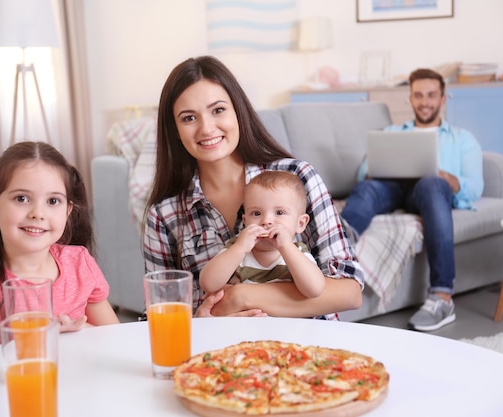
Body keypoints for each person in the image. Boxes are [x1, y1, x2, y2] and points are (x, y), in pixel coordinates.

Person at [143, 55, 363, 319]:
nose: (207, 128)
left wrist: (240, 298)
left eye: (218, 110)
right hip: (221, 353)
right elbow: (159, 316)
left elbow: (349, 292)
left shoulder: (297, 176)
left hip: (310, 349)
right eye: (189, 118)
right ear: (175, 130)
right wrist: (201, 320)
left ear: (238, 110)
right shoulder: (164, 215)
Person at [341, 68, 484, 332]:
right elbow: (363, 174)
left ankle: (442, 297)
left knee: (432, 183)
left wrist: (449, 179)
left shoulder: (462, 139)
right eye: (418, 95)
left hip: (430, 195)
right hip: (394, 190)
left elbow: (475, 187)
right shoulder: (393, 131)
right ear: (410, 98)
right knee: (370, 185)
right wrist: (375, 169)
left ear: (443, 99)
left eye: (431, 95)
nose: (425, 102)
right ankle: (337, 245)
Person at [0, 141, 119, 354]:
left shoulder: (79, 263)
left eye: (53, 201)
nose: (38, 213)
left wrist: (81, 329)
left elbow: (115, 340)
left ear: (68, 211)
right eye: (22, 198)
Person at [200, 171, 325, 300]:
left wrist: (286, 247)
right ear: (245, 221)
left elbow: (314, 290)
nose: (266, 220)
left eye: (279, 212)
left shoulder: (297, 253)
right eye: (256, 213)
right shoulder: (237, 248)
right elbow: (208, 284)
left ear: (300, 223)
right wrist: (240, 248)